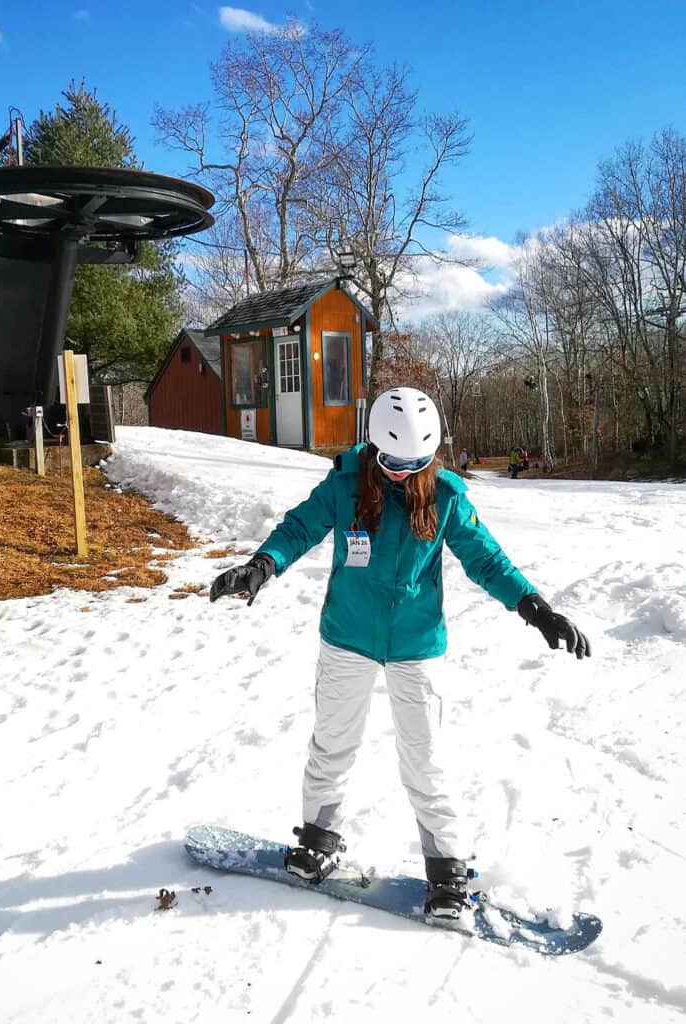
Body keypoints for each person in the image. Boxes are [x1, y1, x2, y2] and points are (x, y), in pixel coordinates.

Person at [209, 387, 590, 920]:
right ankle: (318, 838)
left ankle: (447, 871)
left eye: (413, 464)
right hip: (348, 635)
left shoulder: (448, 495)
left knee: (425, 758)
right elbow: (299, 528)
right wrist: (261, 566)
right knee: (332, 743)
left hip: (416, 644)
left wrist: (536, 609)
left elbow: (488, 561)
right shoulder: (344, 481)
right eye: (390, 461)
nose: (399, 474)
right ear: (373, 445)